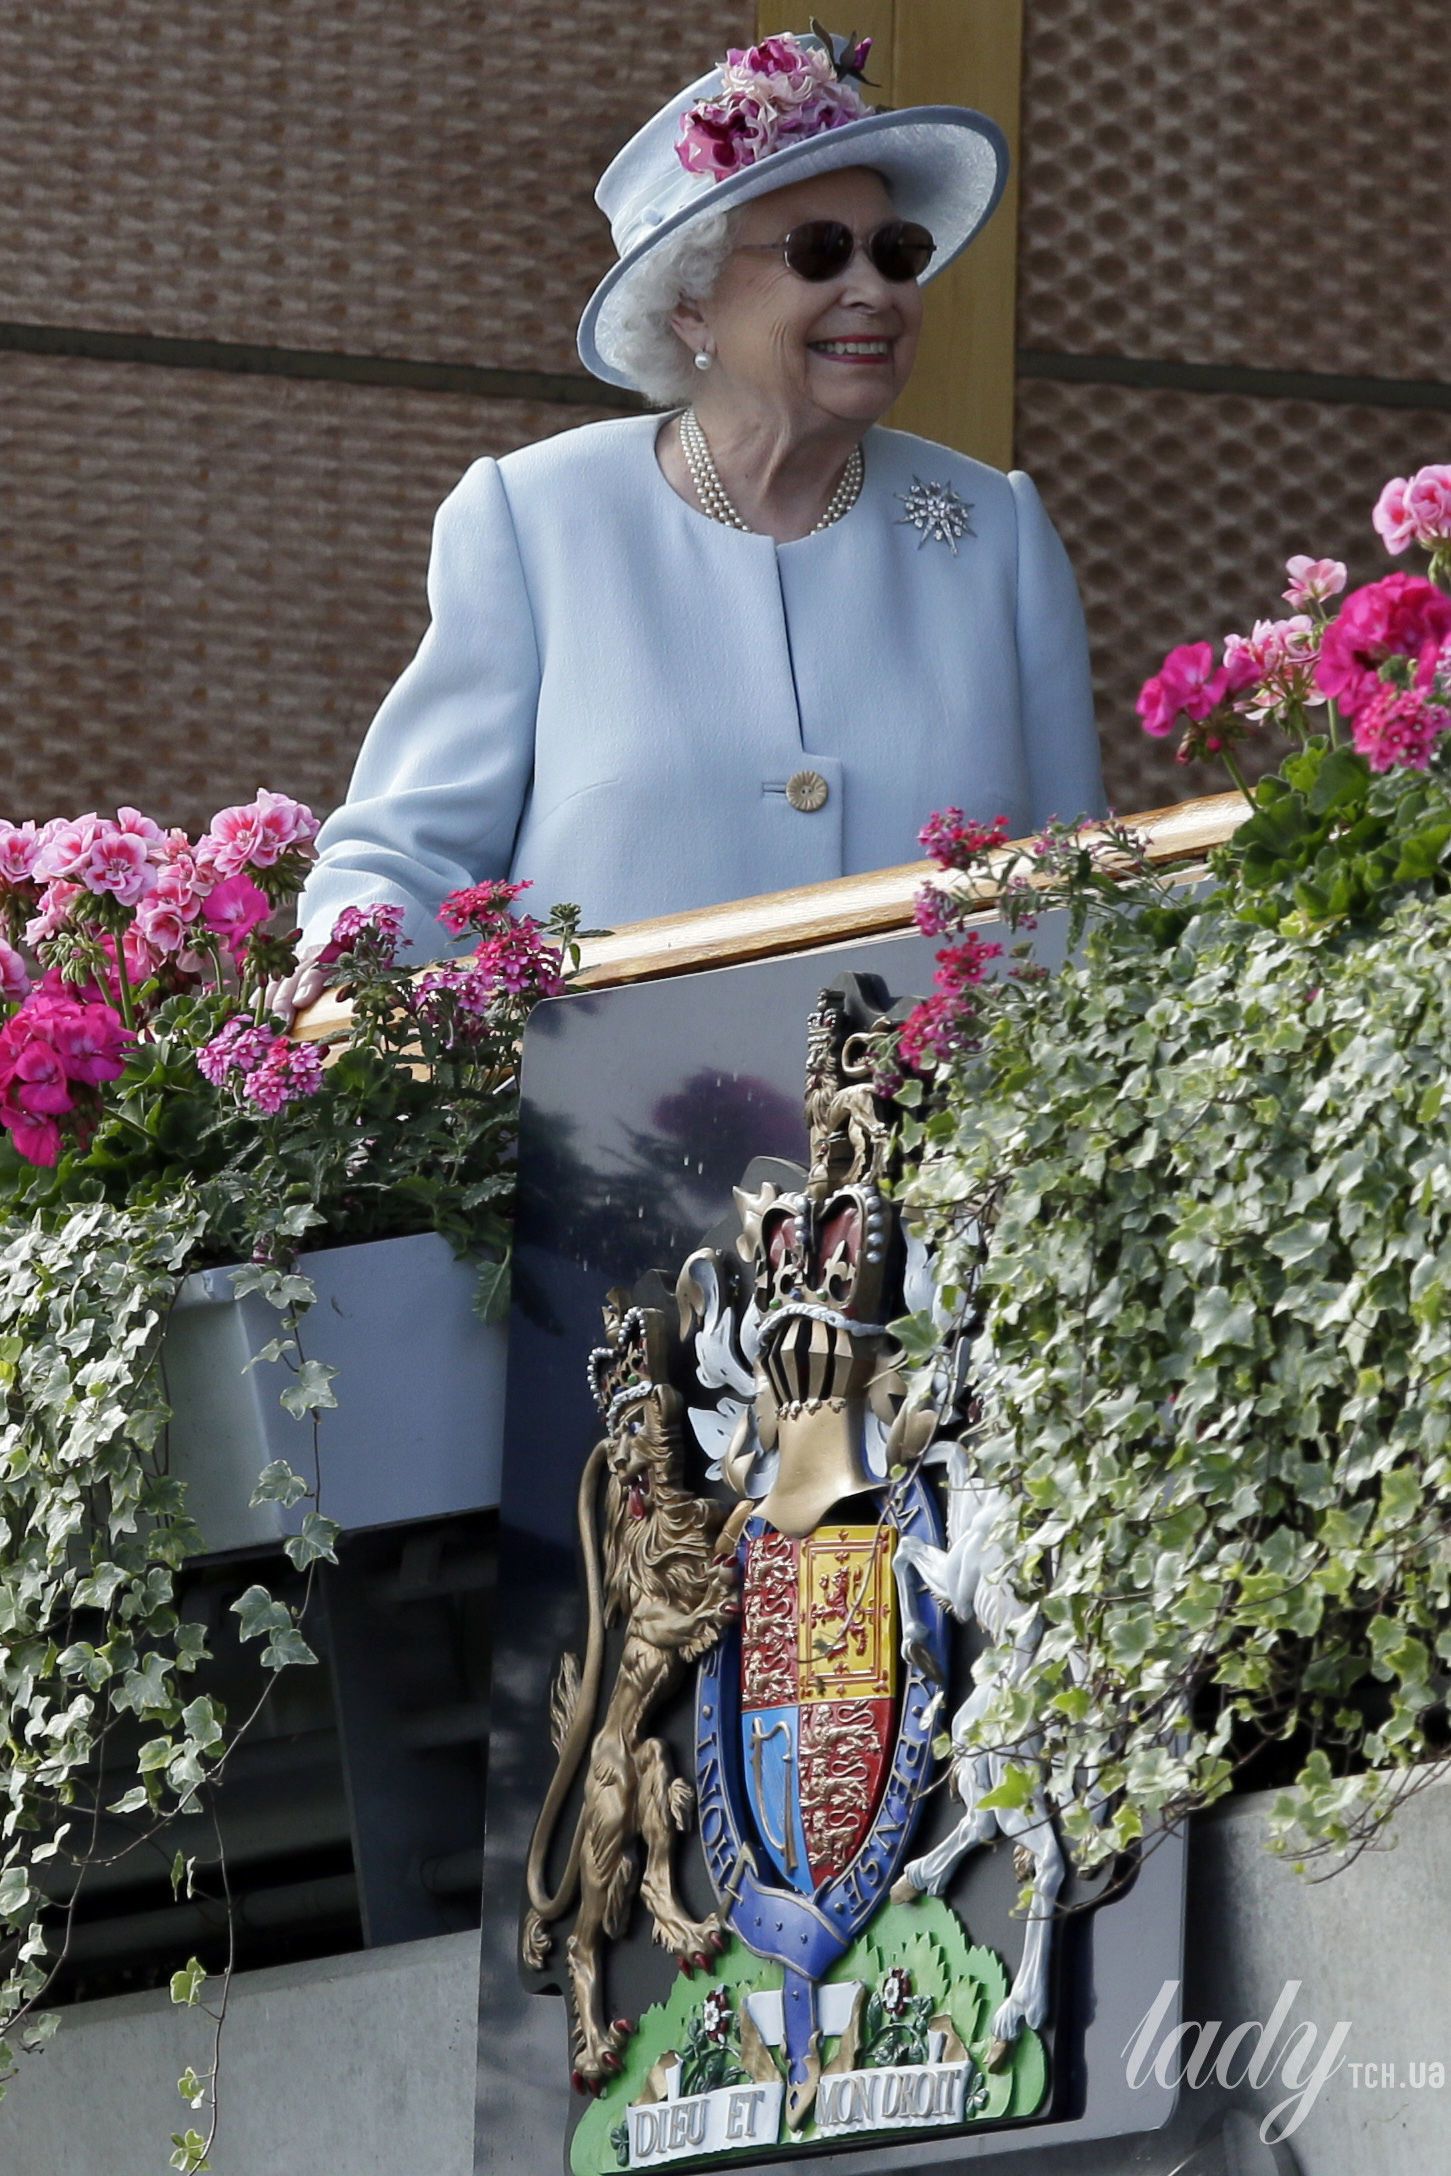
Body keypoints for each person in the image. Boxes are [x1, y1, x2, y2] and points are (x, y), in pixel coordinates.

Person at [281, 26, 1104, 1010]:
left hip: (931, 1104)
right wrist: (350, 959)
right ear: (690, 304)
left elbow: (1077, 876)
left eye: (895, 254)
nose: (873, 291)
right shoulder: (537, 519)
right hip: (608, 1102)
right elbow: (411, 851)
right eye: (816, 253)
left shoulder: (997, 532)